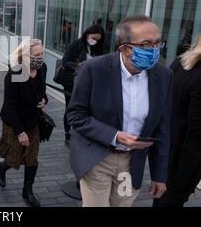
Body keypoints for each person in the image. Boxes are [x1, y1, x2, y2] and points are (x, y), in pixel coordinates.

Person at [66, 15, 172, 207]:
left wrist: (159, 176)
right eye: (147, 44)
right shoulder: (93, 69)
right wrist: (115, 136)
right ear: (124, 48)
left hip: (132, 165)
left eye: (158, 43)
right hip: (98, 159)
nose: (155, 50)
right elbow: (75, 115)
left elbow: (163, 129)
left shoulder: (164, 76)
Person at [0, 39, 48, 207]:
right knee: (14, 158)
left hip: (33, 120)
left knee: (32, 157)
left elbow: (41, 91)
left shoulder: (41, 69)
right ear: (25, 56)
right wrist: (20, 132)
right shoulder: (15, 74)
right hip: (14, 122)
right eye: (36, 55)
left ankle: (27, 191)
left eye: (42, 54)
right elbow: (9, 107)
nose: (40, 58)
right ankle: (2, 167)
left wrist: (44, 100)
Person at [155, 34, 201, 207]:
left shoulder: (181, 61)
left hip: (169, 143)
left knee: (161, 192)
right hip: (187, 153)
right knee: (174, 198)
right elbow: (197, 125)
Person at [61, 25, 105, 146]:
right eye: (93, 38)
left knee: (86, 108)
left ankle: (82, 132)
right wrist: (78, 65)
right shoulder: (76, 45)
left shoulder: (97, 48)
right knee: (70, 107)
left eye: (97, 39)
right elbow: (65, 61)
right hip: (71, 81)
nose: (94, 41)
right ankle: (68, 134)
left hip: (89, 82)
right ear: (87, 34)